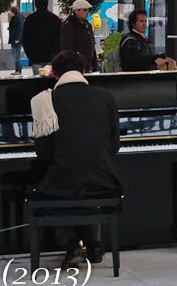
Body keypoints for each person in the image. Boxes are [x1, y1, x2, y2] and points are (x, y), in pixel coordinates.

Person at [29, 50, 123, 266]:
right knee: (86, 177)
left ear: (54, 75)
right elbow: (114, 145)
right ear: (83, 71)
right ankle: (95, 244)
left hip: (66, 179)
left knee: (49, 186)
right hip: (105, 180)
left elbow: (43, 154)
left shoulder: (44, 100)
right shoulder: (105, 97)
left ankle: (71, 244)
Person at [22, 0, 62, 76]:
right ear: (47, 4)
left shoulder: (30, 19)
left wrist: (29, 54)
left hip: (35, 56)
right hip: (51, 56)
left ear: (35, 5)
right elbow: (60, 38)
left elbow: (25, 38)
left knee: (38, 81)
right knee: (51, 81)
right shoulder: (55, 19)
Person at [60, 0, 99, 72]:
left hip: (88, 65)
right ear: (76, 11)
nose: (87, 12)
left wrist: (95, 65)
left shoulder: (88, 25)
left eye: (87, 10)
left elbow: (92, 45)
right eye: (84, 10)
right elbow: (67, 47)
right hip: (75, 66)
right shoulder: (69, 25)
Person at [7, 6, 26, 75]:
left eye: (10, 12)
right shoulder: (15, 18)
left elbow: (20, 28)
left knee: (17, 55)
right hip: (14, 39)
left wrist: (18, 38)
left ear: (13, 12)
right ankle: (17, 70)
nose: (9, 13)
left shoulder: (18, 18)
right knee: (15, 55)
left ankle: (18, 70)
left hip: (16, 40)